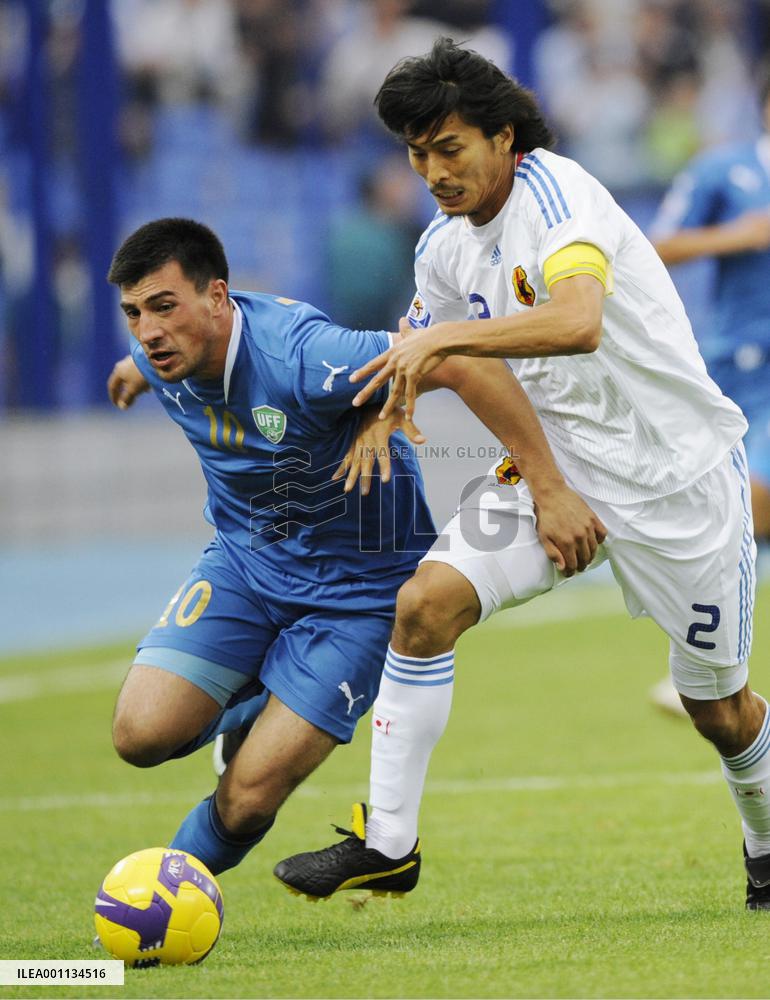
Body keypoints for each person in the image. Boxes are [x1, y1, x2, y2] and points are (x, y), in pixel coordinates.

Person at [272, 38, 770, 911]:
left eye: (449, 148)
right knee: (425, 604)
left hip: (681, 477)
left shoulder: (562, 196)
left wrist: (439, 342)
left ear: (504, 137)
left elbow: (575, 321)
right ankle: (389, 842)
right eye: (418, 154)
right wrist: (400, 402)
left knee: (718, 710)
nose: (433, 171)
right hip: (559, 461)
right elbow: (448, 359)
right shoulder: (442, 248)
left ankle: (766, 841)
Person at [103, 216, 602, 879]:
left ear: (218, 298)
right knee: (139, 736)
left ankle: (164, 891)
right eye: (133, 314)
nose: (148, 330)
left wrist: (548, 487)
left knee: (248, 798)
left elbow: (448, 358)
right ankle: (256, 697)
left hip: (359, 598)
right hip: (246, 567)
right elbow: (147, 351)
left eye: (163, 307)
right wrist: (133, 371)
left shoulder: (301, 356)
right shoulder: (166, 351)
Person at [644, 73, 770, 719]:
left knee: (751, 504)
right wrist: (736, 236)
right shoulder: (726, 170)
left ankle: (714, 673)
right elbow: (655, 246)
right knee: (730, 513)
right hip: (735, 374)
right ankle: (711, 671)